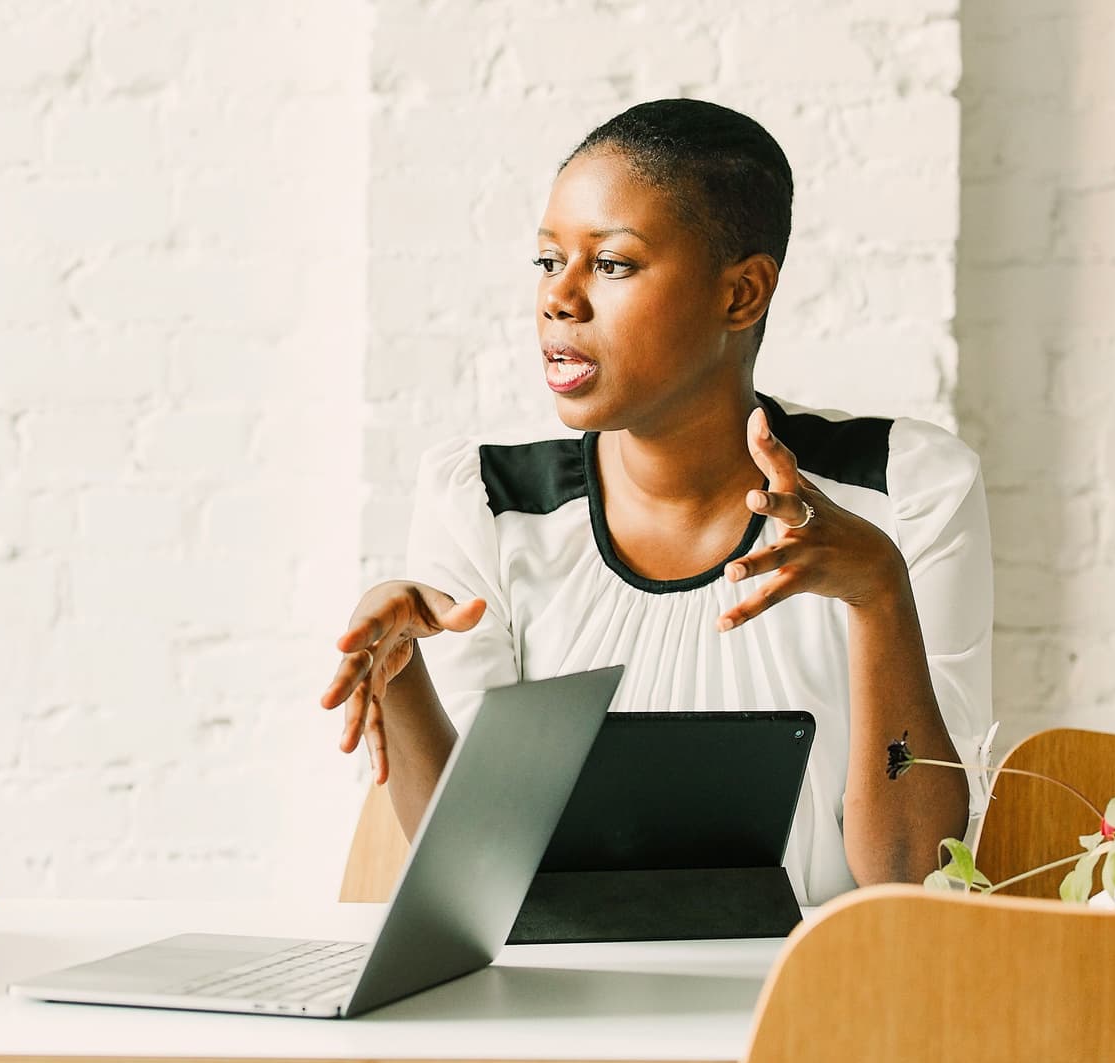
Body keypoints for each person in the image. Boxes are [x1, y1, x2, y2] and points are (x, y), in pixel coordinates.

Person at [320, 100, 991, 903]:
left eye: (611, 265)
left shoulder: (903, 491)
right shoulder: (488, 506)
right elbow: (478, 882)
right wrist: (401, 677)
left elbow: (915, 873)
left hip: (818, 1004)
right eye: (546, 262)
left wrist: (879, 592)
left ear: (742, 295)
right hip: (562, 1014)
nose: (558, 300)